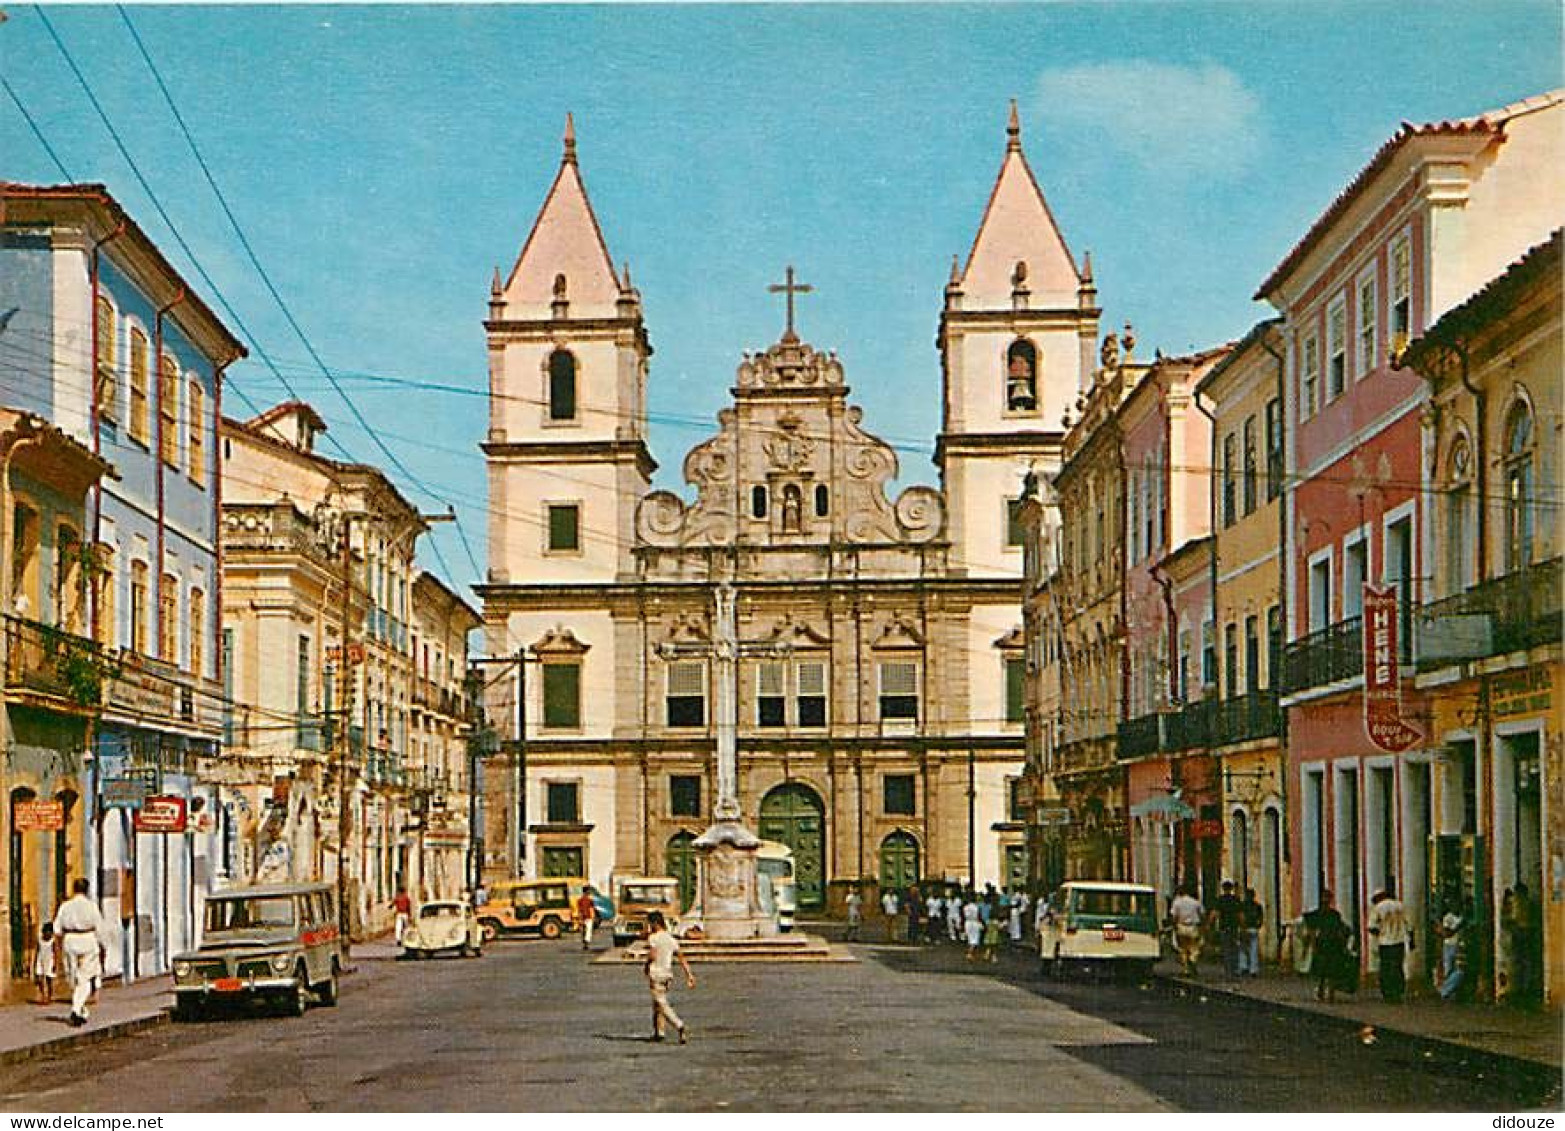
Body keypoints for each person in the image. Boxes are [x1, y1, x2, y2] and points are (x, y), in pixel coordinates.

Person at [53, 878, 106, 1027]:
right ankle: (77, 1009)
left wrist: (57, 947)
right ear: (87, 890)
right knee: (85, 978)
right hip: (88, 939)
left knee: (74, 976)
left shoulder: (65, 906)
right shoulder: (91, 907)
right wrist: (103, 945)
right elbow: (99, 927)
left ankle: (79, 1009)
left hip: (70, 940)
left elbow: (57, 929)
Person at [643, 910, 695, 1044]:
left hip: (656, 973)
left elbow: (653, 955)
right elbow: (682, 958)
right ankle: (659, 1032)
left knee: (661, 1003)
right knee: (657, 1004)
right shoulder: (671, 939)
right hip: (667, 973)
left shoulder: (653, 938)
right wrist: (689, 974)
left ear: (655, 923)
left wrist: (646, 965)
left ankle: (679, 1025)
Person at [1304, 890, 1353, 1003]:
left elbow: (1340, 929)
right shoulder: (1318, 915)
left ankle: (1329, 993)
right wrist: (1313, 944)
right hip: (1323, 945)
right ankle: (1323, 991)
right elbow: (1311, 931)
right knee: (1324, 971)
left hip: (1332, 945)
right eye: (1324, 898)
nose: (1325, 901)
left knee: (1330, 971)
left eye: (1327, 899)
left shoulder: (1333, 915)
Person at [1367, 882, 1410, 1003]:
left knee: (1386, 968)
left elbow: (1371, 927)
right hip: (1400, 941)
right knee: (1397, 966)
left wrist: (1380, 933)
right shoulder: (1400, 906)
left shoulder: (1378, 908)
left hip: (1385, 943)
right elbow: (1409, 925)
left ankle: (1388, 992)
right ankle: (1399, 991)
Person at [1168, 885, 1204, 976]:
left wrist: (1174, 926)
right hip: (1193, 927)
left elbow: (1174, 916)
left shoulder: (1177, 902)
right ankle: (1192, 959)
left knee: (1183, 948)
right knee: (1194, 947)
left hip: (1182, 926)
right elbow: (1202, 914)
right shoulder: (1195, 902)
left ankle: (1186, 969)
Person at [1212, 880, 1244, 976]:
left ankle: (1228, 970)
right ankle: (1234, 968)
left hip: (1224, 927)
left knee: (1226, 949)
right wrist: (1242, 925)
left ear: (1223, 889)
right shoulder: (1236, 899)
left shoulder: (1220, 900)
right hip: (1234, 926)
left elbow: (1215, 913)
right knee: (1234, 948)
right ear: (1231, 889)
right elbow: (1240, 914)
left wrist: (1209, 924)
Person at [1437, 902, 1466, 1002]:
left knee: (1458, 970)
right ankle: (1446, 991)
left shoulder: (1461, 916)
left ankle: (1448, 990)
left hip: (1459, 945)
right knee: (1449, 969)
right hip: (1449, 945)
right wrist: (1457, 927)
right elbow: (1446, 933)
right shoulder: (1448, 917)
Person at [1239, 887, 1265, 977]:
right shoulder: (1257, 906)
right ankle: (1253, 969)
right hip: (1254, 928)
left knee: (1243, 949)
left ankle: (1243, 967)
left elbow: (1241, 917)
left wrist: (1242, 926)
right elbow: (1261, 918)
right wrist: (1258, 925)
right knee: (1254, 950)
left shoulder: (1242, 905)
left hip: (1245, 928)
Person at [33, 922, 57, 1005]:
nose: (48, 934)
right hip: (40, 960)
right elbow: (37, 951)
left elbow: (56, 952)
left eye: (50, 932)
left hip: (49, 961)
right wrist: (35, 962)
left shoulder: (53, 941)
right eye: (46, 932)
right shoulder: (40, 939)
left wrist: (55, 964)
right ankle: (43, 995)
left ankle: (50, 995)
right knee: (39, 979)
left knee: (49, 980)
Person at [575, 886, 599, 951]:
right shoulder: (590, 900)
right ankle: (586, 942)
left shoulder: (579, 900)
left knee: (584, 931)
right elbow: (592, 909)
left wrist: (579, 917)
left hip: (582, 917)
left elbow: (579, 910)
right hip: (588, 917)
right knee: (588, 930)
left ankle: (585, 942)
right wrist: (594, 917)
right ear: (587, 892)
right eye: (588, 891)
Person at [962, 893, 983, 961]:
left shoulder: (965, 907)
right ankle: (969, 953)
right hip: (974, 922)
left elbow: (963, 916)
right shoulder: (976, 907)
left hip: (967, 923)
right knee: (975, 940)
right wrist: (981, 923)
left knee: (970, 939)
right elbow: (979, 916)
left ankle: (972, 954)